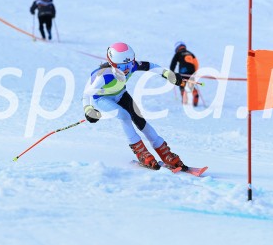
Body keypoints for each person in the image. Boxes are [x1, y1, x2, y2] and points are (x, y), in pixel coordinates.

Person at [83, 42, 190, 170]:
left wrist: (168, 74)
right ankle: (142, 153)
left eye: (129, 64)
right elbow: (87, 93)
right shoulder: (103, 75)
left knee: (140, 121)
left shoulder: (131, 65)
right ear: (112, 64)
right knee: (124, 116)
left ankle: (166, 154)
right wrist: (88, 109)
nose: (127, 69)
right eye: (122, 67)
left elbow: (151, 66)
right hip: (102, 98)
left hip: (121, 94)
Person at [169, 41, 201, 106]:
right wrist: (195, 73)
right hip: (191, 72)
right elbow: (196, 63)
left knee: (182, 83)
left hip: (183, 71)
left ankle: (184, 97)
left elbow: (173, 63)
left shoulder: (178, 53)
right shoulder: (191, 53)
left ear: (177, 48)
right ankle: (195, 93)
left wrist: (172, 71)